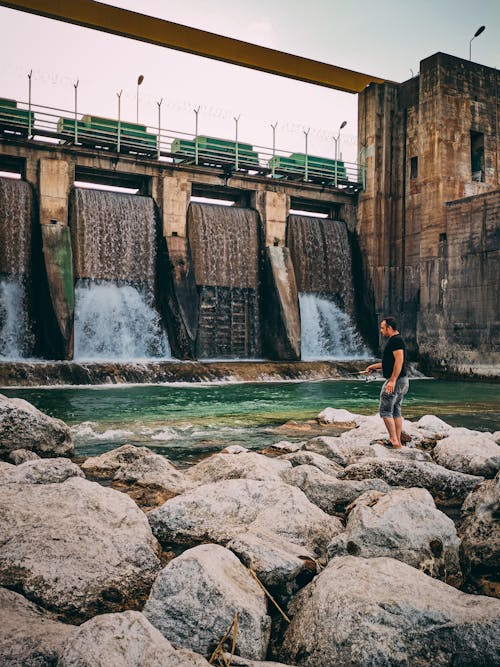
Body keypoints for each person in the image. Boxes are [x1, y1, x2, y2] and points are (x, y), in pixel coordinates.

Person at [365, 316, 409, 448]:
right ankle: (398, 441)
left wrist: (392, 380)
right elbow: (389, 363)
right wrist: (373, 367)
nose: (381, 330)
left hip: (396, 380)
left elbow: (399, 361)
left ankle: (393, 440)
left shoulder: (395, 341)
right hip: (402, 381)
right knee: (396, 410)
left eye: (383, 328)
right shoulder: (396, 340)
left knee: (385, 410)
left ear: (389, 328)